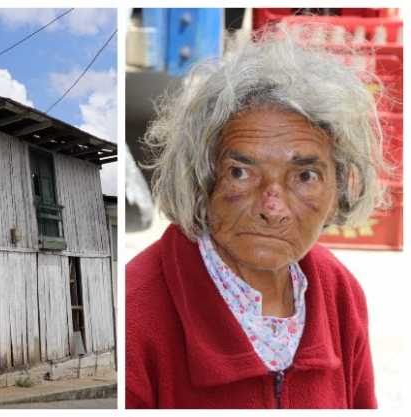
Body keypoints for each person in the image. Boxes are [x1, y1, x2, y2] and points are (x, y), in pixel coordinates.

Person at [126, 26, 389, 409]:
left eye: (305, 176)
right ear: (202, 179)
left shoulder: (338, 292)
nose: (272, 207)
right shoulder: (139, 312)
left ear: (338, 190)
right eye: (240, 172)